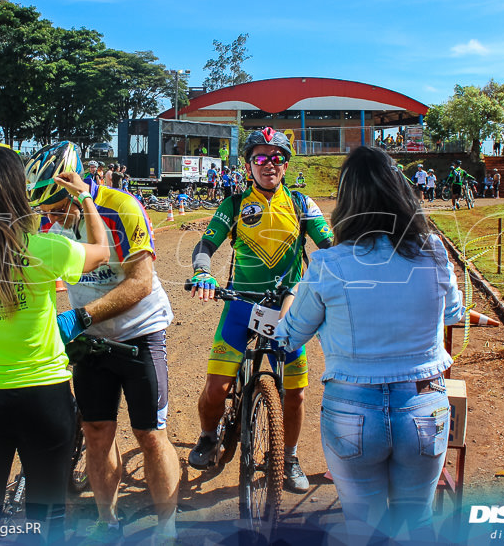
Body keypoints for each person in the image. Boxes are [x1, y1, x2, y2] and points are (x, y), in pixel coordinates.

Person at [274, 145, 463, 541]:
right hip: (424, 404)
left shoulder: (329, 263)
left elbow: (290, 335)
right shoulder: (433, 251)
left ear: (346, 202)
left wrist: (295, 295)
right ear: (401, 192)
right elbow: (453, 313)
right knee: (419, 522)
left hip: (352, 409)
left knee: (363, 527)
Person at [0, 146, 109, 542]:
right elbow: (101, 252)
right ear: (19, 191)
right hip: (43, 397)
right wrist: (84, 196)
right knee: (47, 518)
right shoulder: (46, 249)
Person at [28, 142, 181, 546]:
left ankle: (168, 530)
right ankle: (106, 519)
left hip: (140, 332)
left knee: (150, 434)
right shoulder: (46, 220)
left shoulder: (122, 207)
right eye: (45, 209)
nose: (52, 216)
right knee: (96, 430)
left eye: (59, 205)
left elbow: (140, 282)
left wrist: (82, 316)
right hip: (92, 341)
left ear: (77, 183)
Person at [187, 128, 334, 493]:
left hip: (290, 308)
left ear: (286, 164)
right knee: (217, 388)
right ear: (248, 164)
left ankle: (290, 456)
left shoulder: (302, 204)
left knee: (296, 393)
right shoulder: (235, 204)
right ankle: (208, 436)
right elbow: (207, 243)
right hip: (241, 304)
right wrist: (202, 271)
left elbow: (329, 246)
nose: (269, 164)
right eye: (260, 158)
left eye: (277, 157)